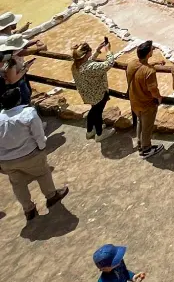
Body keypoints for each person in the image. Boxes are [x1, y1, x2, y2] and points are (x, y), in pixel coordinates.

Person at [0, 87, 69, 221]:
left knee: (17, 184)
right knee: (42, 173)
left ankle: (29, 210)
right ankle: (51, 196)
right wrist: (42, 148)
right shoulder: (28, 113)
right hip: (29, 154)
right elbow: (38, 134)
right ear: (19, 100)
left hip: (6, 160)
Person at [71, 39, 118, 143]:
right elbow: (109, 64)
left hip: (87, 94)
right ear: (87, 53)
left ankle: (90, 131)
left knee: (93, 110)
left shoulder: (76, 65)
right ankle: (100, 134)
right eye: (90, 50)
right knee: (97, 112)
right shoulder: (90, 67)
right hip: (98, 93)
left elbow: (88, 63)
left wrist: (97, 51)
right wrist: (109, 51)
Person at [126, 41, 163, 159]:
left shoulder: (132, 63)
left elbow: (142, 65)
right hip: (146, 103)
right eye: (152, 49)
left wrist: (155, 63)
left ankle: (140, 144)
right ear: (148, 54)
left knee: (140, 123)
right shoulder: (149, 72)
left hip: (135, 100)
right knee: (147, 127)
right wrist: (159, 98)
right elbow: (153, 90)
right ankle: (146, 149)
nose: (153, 50)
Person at [1, 34, 46, 105]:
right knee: (24, 102)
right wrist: (25, 68)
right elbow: (12, 80)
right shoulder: (12, 60)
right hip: (17, 85)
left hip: (17, 83)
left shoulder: (9, 55)